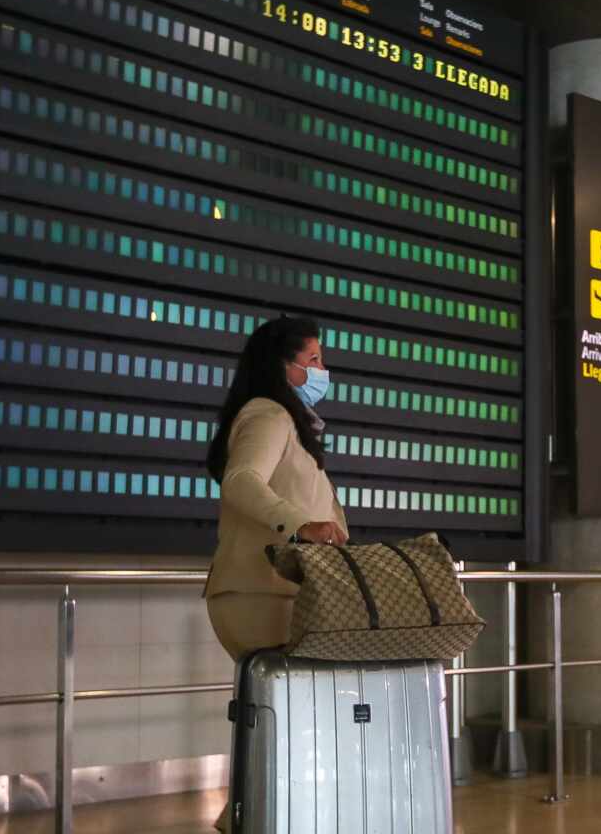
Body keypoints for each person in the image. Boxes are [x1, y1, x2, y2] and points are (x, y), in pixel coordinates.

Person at [203, 315, 348, 832]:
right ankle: (264, 816)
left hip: (273, 590)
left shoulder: (290, 423)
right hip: (263, 591)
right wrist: (299, 525)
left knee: (285, 718)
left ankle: (252, 815)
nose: (322, 370)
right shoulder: (268, 413)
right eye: (313, 360)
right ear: (281, 366)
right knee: (298, 714)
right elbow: (242, 481)